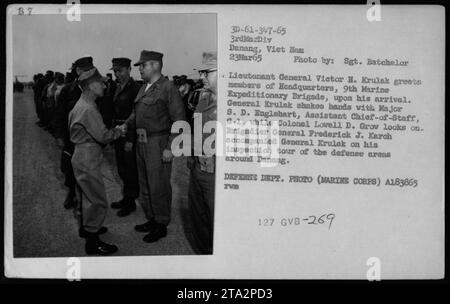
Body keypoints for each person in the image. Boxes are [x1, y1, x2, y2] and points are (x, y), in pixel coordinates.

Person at [126, 50, 185, 243]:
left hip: (158, 143)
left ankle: (161, 223)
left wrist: (171, 147)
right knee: (145, 184)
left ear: (155, 65)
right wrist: (125, 125)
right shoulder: (144, 88)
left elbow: (179, 120)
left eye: (142, 65)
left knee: (158, 185)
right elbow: (137, 114)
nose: (140, 69)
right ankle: (151, 218)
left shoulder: (168, 88)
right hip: (142, 142)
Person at [68, 67, 125, 255]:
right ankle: (92, 242)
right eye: (101, 82)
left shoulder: (82, 103)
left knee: (86, 195)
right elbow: (103, 136)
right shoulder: (89, 108)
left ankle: (87, 228)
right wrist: (120, 131)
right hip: (87, 156)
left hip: (82, 154)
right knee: (97, 199)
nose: (104, 84)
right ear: (92, 85)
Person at [188, 51, 217, 254]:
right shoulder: (203, 97)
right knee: (198, 215)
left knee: (218, 219)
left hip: (218, 174)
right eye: (201, 72)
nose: (201, 76)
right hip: (199, 166)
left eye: (207, 72)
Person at [54, 57, 94, 210]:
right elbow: (59, 115)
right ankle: (71, 193)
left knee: (89, 172)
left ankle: (88, 201)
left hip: (89, 138)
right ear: (78, 71)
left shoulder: (95, 89)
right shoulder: (67, 90)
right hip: (71, 138)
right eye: (86, 71)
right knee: (69, 168)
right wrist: (59, 136)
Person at [109, 57, 141, 217]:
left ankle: (130, 202)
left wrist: (130, 139)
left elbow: (136, 114)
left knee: (130, 169)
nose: (116, 74)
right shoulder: (115, 87)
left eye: (119, 70)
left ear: (129, 69)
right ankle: (126, 197)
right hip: (117, 132)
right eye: (114, 71)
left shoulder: (135, 88)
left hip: (128, 133)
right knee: (121, 167)